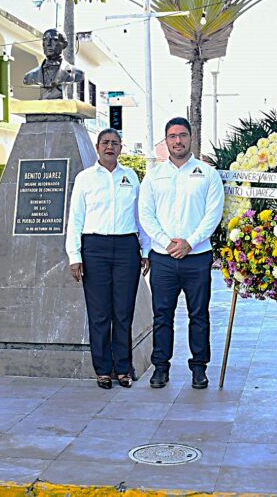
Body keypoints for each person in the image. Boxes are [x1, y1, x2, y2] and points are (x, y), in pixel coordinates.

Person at [139, 117, 224, 389]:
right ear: (166, 141)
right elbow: (146, 215)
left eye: (183, 135)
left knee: (199, 315)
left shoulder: (207, 174)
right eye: (172, 136)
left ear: (191, 137)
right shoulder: (154, 176)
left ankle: (199, 368)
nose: (178, 141)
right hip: (163, 259)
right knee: (162, 316)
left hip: (197, 257)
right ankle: (160, 367)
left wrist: (190, 242)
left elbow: (213, 214)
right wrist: (167, 243)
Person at [66, 128, 150, 389]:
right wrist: (74, 255)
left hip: (126, 247)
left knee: (123, 312)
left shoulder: (131, 177)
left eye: (115, 143)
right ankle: (102, 369)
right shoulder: (85, 178)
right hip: (95, 248)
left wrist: (145, 250)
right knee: (100, 313)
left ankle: (123, 368)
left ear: (121, 148)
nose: (110, 147)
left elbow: (140, 216)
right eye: (105, 142)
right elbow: (75, 218)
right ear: (97, 147)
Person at [23, 29, 85, 100]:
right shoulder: (30, 75)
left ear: (64, 45)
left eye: (54, 40)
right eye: (45, 40)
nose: (48, 44)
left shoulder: (77, 73)